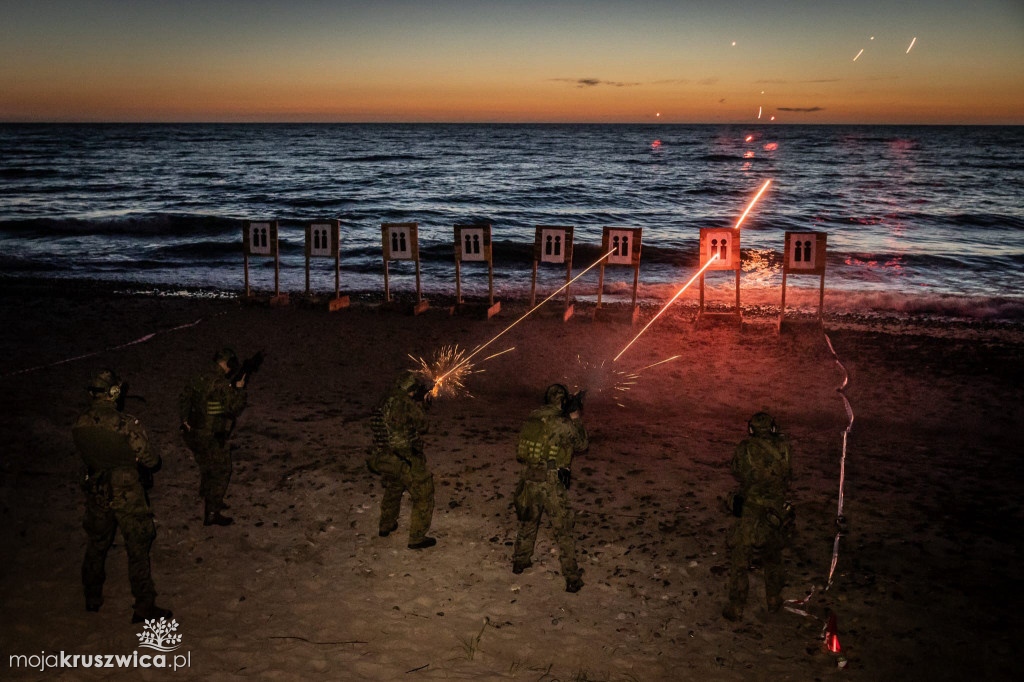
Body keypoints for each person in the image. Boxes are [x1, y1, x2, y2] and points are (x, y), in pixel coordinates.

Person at [72, 369, 172, 623]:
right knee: (137, 546)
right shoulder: (125, 423)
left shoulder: (80, 423)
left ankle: (92, 597)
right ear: (113, 393)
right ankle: (144, 605)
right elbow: (150, 459)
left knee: (97, 544)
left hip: (97, 489)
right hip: (126, 491)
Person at [511, 384, 588, 593]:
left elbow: (522, 451)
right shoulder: (562, 423)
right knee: (563, 529)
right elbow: (582, 444)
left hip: (530, 476)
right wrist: (575, 417)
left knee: (529, 521)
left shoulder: (533, 417)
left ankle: (520, 561)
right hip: (552, 480)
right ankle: (572, 578)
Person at [723, 411, 794, 621]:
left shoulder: (745, 448)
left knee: (740, 558)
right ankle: (773, 599)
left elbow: (736, 470)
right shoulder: (784, 447)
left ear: (751, 429)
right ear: (773, 428)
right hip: (775, 510)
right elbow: (788, 473)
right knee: (773, 556)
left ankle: (736, 606)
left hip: (751, 507)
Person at [366, 370, 437, 550]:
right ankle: (417, 538)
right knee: (424, 494)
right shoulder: (405, 402)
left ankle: (386, 526)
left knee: (394, 487)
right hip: (403, 456)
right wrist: (422, 404)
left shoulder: (385, 399)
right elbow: (423, 425)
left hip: (384, 456)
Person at [179, 348, 250, 526]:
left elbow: (184, 397)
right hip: (211, 435)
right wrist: (240, 390)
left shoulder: (200, 376)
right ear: (228, 364)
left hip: (194, 431)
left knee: (206, 466)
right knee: (221, 470)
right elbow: (234, 407)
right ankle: (212, 512)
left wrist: (185, 419)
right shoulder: (219, 383)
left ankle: (210, 497)